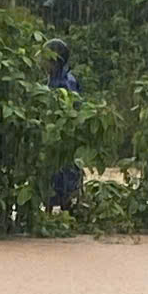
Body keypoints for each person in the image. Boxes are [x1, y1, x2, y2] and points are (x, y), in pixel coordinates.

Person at [46, 40, 85, 210]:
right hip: (52, 137)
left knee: (66, 173)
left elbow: (72, 111)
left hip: (65, 137)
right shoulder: (50, 80)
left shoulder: (67, 83)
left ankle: (68, 202)